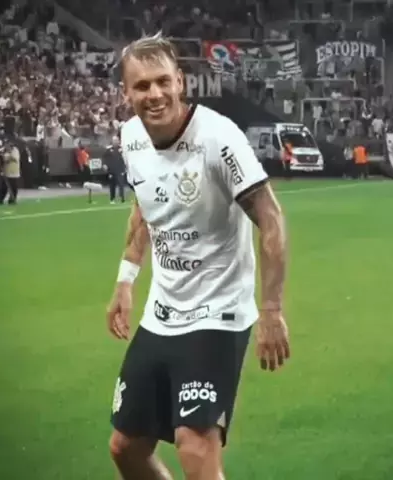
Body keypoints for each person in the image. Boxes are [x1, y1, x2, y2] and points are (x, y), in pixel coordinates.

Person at [106, 33, 290, 480]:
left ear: (180, 82)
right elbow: (144, 207)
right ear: (126, 93)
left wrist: (271, 309)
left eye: (162, 81)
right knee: (126, 448)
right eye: (142, 85)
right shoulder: (131, 137)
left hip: (218, 312)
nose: (154, 94)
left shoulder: (217, 138)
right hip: (162, 311)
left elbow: (270, 216)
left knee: (194, 446)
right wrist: (126, 280)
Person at [102, 135, 126, 203]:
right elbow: (104, 157)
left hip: (120, 170)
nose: (115, 141)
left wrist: (124, 167)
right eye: (114, 140)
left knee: (121, 184)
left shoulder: (122, 149)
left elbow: (125, 158)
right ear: (112, 141)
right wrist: (104, 164)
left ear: (119, 141)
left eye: (116, 140)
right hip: (111, 171)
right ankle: (112, 199)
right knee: (112, 186)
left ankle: (122, 198)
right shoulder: (109, 149)